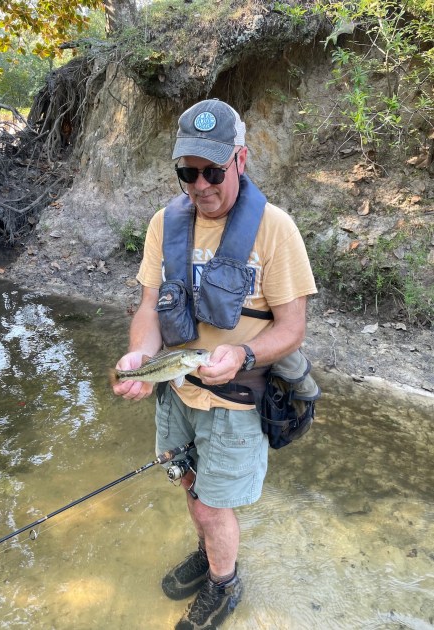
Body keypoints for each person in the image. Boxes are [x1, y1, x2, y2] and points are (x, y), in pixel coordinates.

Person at [112, 98, 317, 629]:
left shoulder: (276, 229)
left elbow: (292, 329)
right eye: (187, 171)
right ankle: (210, 556)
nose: (199, 184)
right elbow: (147, 309)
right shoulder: (165, 223)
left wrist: (244, 354)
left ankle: (225, 586)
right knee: (187, 482)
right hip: (176, 390)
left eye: (212, 170)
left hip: (237, 400)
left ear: (240, 161)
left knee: (211, 504)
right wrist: (140, 355)